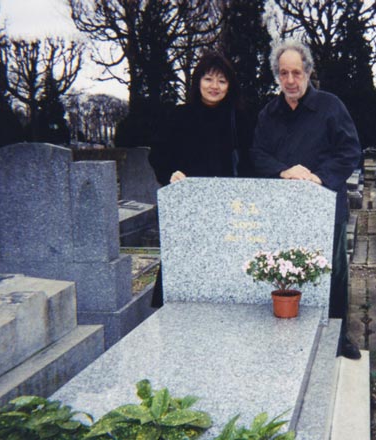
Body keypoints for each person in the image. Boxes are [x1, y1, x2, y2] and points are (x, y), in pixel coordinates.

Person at [250, 40, 362, 360]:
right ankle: (286, 330)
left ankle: (338, 335)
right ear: (277, 75)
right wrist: (283, 171)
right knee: (285, 268)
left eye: (296, 73)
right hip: (284, 207)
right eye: (283, 73)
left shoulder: (330, 106)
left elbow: (349, 151)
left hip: (325, 203)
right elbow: (257, 154)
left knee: (334, 272)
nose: (290, 80)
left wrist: (319, 177)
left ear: (308, 72)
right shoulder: (269, 113)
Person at [148, 51, 253, 307]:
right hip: (189, 208)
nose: (214, 86)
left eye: (222, 81)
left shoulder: (240, 119)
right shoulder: (178, 116)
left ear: (230, 86)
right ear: (198, 82)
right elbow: (158, 155)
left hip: (229, 209)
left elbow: (251, 161)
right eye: (208, 79)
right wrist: (170, 174)